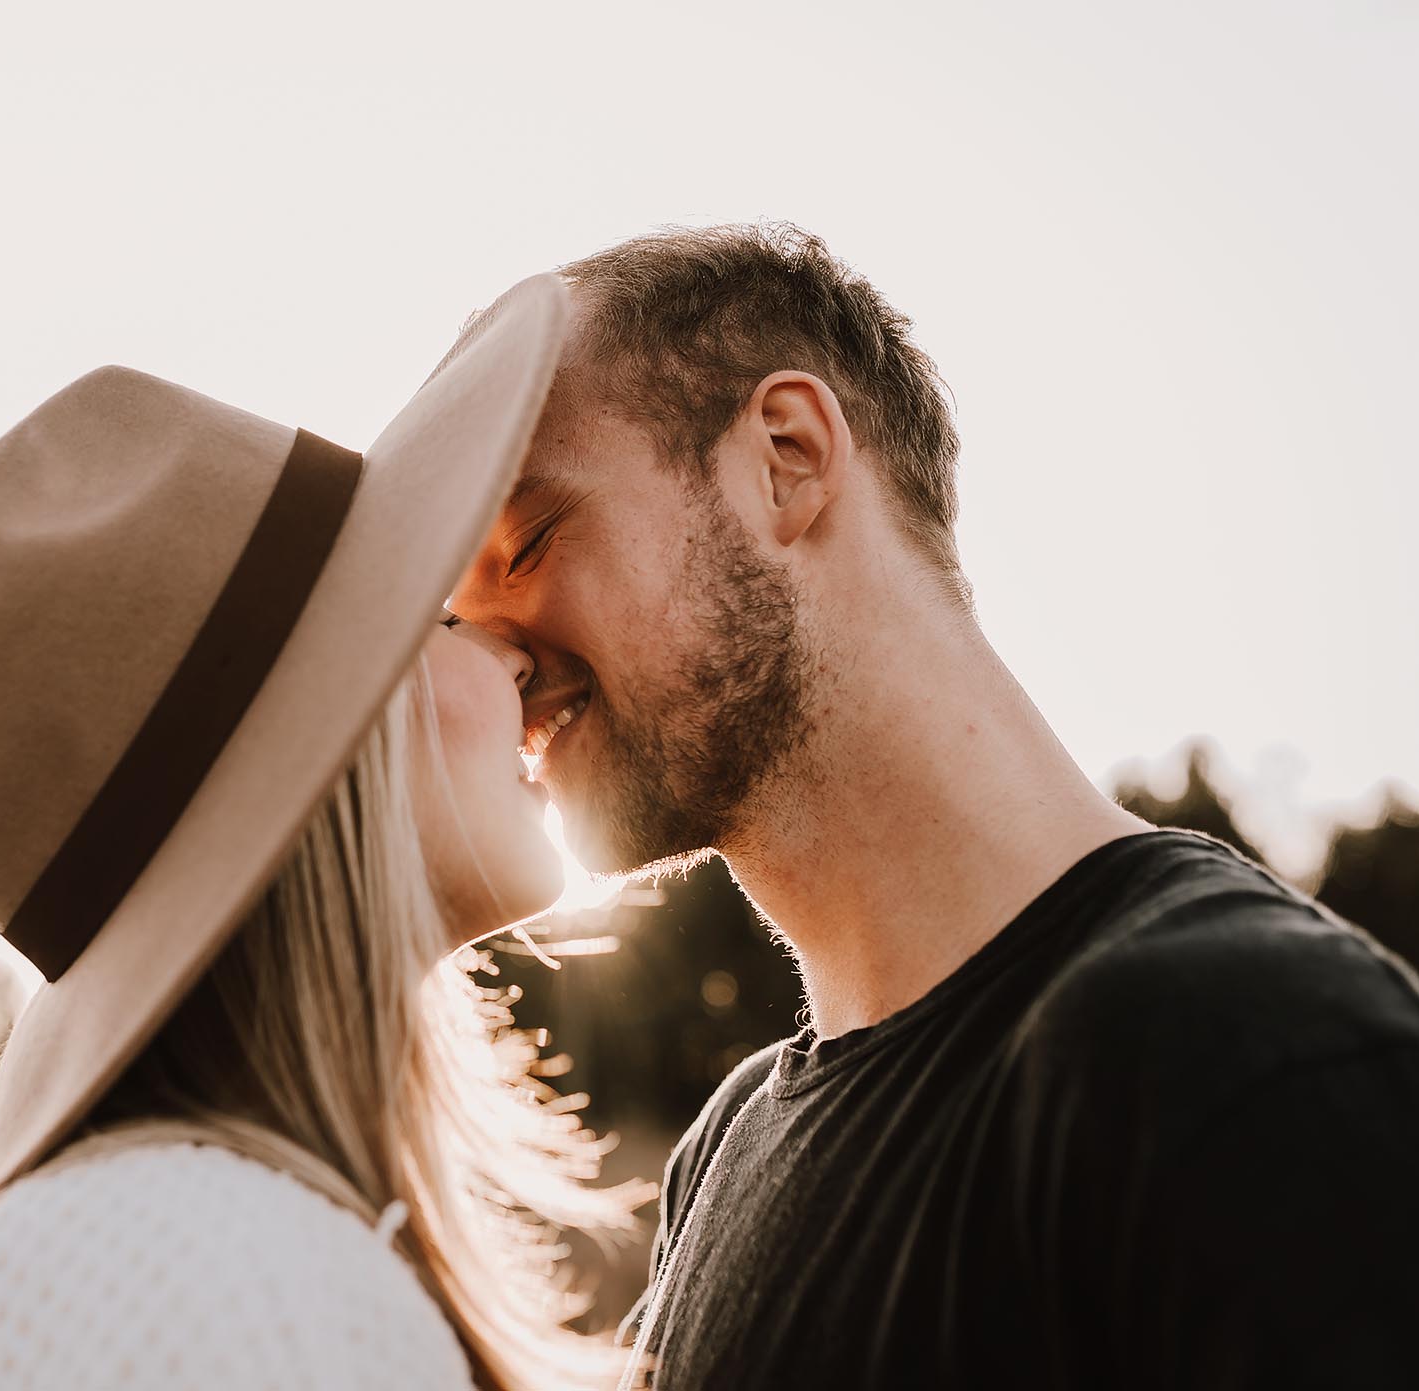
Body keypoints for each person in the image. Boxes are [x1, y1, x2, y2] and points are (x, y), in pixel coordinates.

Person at [448, 224, 1419, 1389]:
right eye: (462, 618)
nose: (496, 664)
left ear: (786, 458)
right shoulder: (727, 1144)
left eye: (531, 539)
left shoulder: (1247, 1053)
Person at [0, 274, 648, 1391]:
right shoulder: (229, 1282)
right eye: (427, 616)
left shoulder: (134, 1248)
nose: (512, 654)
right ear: (337, 737)